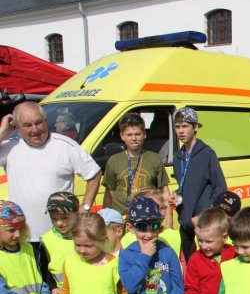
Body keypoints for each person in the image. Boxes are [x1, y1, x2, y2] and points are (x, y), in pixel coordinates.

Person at [0, 102, 102, 240]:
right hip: (22, 238)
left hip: (59, 237)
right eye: (27, 125)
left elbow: (94, 174)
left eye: (38, 123)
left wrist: (86, 206)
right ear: (17, 127)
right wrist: (3, 131)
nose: (34, 129)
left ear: (46, 121)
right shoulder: (10, 148)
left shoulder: (65, 146)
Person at [169, 107, 227, 261]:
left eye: (185, 126)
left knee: (208, 265)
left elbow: (220, 189)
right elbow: (185, 185)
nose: (181, 131)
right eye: (177, 127)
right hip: (185, 221)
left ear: (195, 127)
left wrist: (203, 216)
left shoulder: (207, 153)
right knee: (189, 265)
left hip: (203, 224)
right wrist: (176, 194)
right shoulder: (178, 156)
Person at [102, 113, 171, 217]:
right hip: (121, 218)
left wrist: (169, 222)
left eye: (137, 134)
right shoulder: (114, 161)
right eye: (129, 135)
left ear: (144, 134)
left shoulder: (154, 159)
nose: (134, 138)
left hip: (147, 217)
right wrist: (106, 219)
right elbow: (108, 194)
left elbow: (164, 193)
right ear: (122, 136)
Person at [121, 189, 180, 257]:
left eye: (161, 208)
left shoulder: (176, 236)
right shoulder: (127, 238)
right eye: (151, 208)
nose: (155, 213)